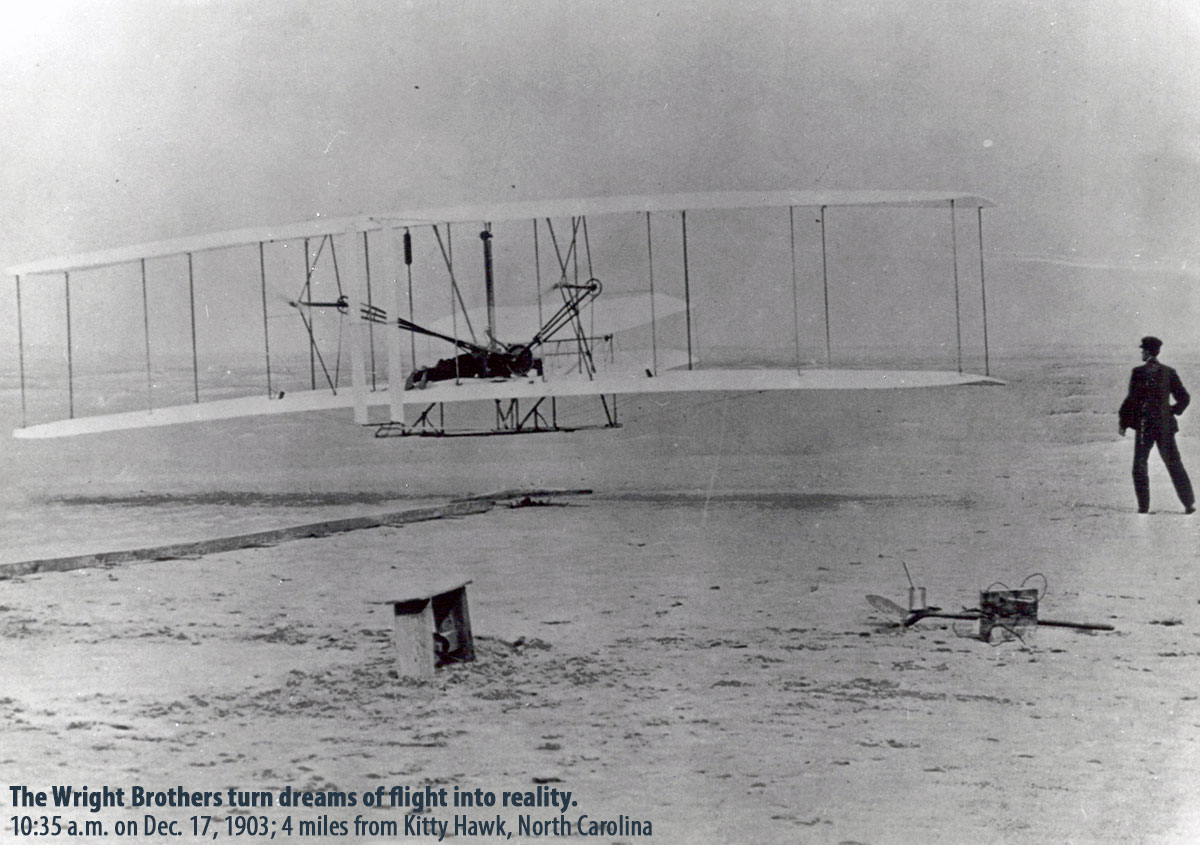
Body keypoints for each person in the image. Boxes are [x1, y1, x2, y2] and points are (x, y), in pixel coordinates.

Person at [1118, 336, 1195, 514]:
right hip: (1165, 425)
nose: (1141, 353)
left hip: (1146, 425)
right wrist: (1172, 411)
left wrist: (1123, 422)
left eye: (1143, 350)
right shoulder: (1169, 372)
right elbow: (1184, 398)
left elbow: (1131, 400)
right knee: (1174, 463)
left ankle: (1143, 507)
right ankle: (1189, 504)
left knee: (1140, 465)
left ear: (1147, 351)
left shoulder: (1139, 372)